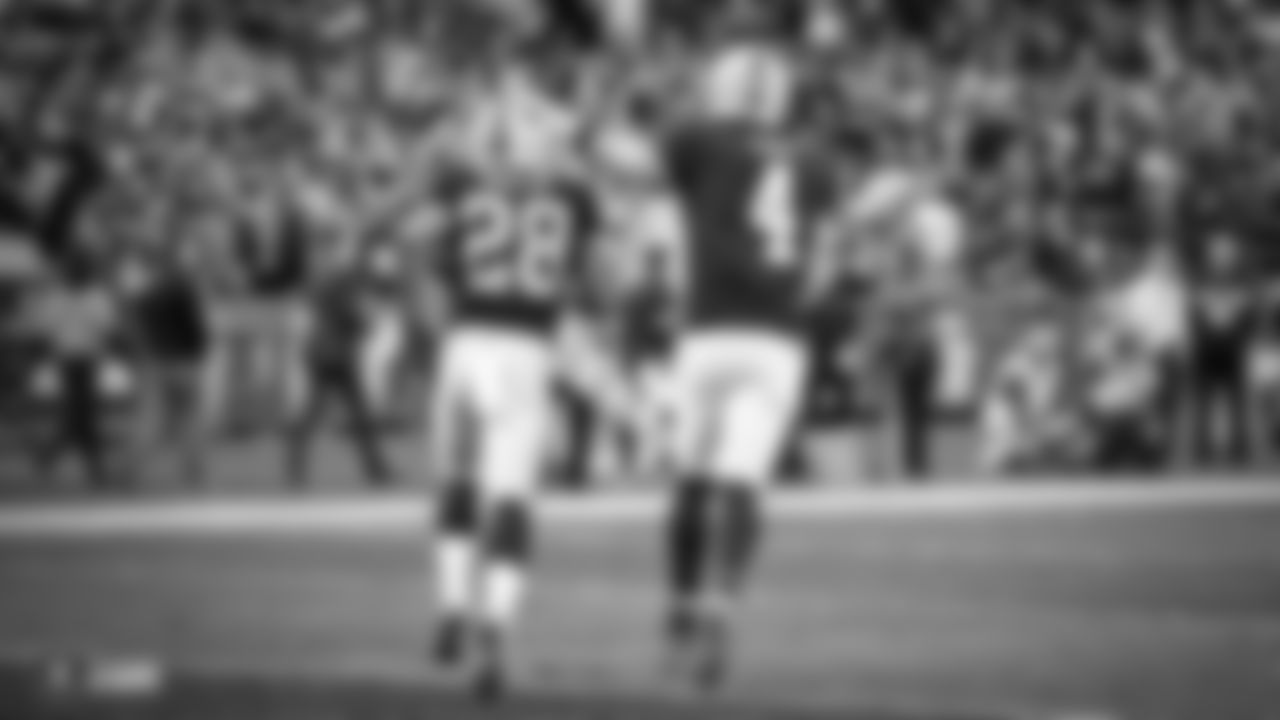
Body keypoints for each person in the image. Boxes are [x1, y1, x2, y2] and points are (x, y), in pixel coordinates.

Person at [657, 40, 832, 689]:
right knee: (744, 481)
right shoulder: (812, 160)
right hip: (778, 339)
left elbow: (663, 164)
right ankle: (722, 602)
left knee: (690, 482)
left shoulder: (698, 140)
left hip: (709, 331)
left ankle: (681, 602)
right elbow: (823, 256)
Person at [424, 60, 598, 701]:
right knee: (511, 502)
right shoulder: (574, 199)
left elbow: (438, 263)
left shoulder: (464, 190)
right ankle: (494, 626)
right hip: (527, 346)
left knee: (455, 482)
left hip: (467, 341)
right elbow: (588, 274)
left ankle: (451, 603)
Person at [285, 247, 394, 490]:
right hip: (335, 355)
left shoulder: (327, 282)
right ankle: (375, 469)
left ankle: (296, 466)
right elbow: (351, 316)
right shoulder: (341, 284)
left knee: (321, 411)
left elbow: (343, 314)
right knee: (353, 415)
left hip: (323, 352)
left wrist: (363, 324)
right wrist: (367, 325)